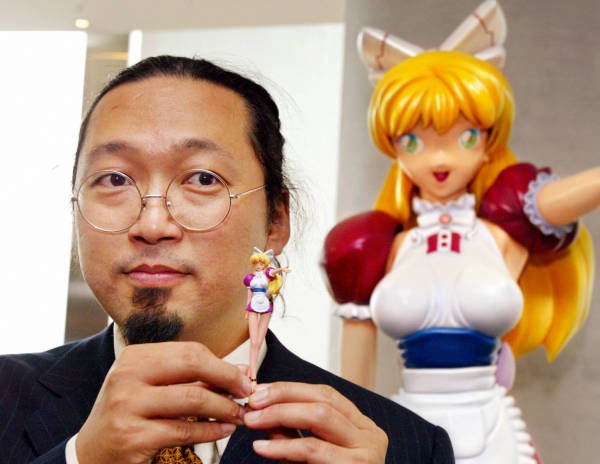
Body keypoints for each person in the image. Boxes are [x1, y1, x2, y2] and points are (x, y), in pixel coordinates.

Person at [0, 56, 453, 464]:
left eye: (202, 179)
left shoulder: (400, 445)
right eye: (114, 179)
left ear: (276, 221)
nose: (152, 224)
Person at [322, 2, 599, 463]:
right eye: (413, 141)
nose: (440, 159)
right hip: (407, 429)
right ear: (394, 149)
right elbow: (354, 385)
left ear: (489, 142)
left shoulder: (503, 233)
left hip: (495, 435)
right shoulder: (379, 246)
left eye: (465, 136)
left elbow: (562, 199)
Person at [244, 248, 290, 389]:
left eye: (261, 264)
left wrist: (281, 269)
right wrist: (247, 310)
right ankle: (253, 376)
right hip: (253, 306)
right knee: (254, 341)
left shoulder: (267, 275)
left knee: (258, 342)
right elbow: (249, 294)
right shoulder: (250, 278)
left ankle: (251, 374)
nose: (258, 266)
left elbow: (273, 272)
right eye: (256, 264)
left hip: (265, 305)